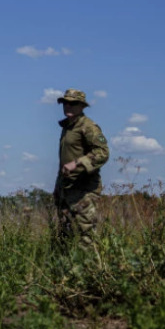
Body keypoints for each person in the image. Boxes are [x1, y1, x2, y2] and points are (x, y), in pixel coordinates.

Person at [53, 89, 109, 247]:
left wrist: (78, 162)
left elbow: (103, 153)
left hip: (84, 190)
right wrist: (58, 188)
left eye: (73, 103)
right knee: (66, 234)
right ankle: (68, 269)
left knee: (86, 235)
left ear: (82, 106)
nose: (68, 106)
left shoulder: (88, 126)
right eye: (65, 103)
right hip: (67, 189)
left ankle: (91, 270)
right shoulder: (68, 127)